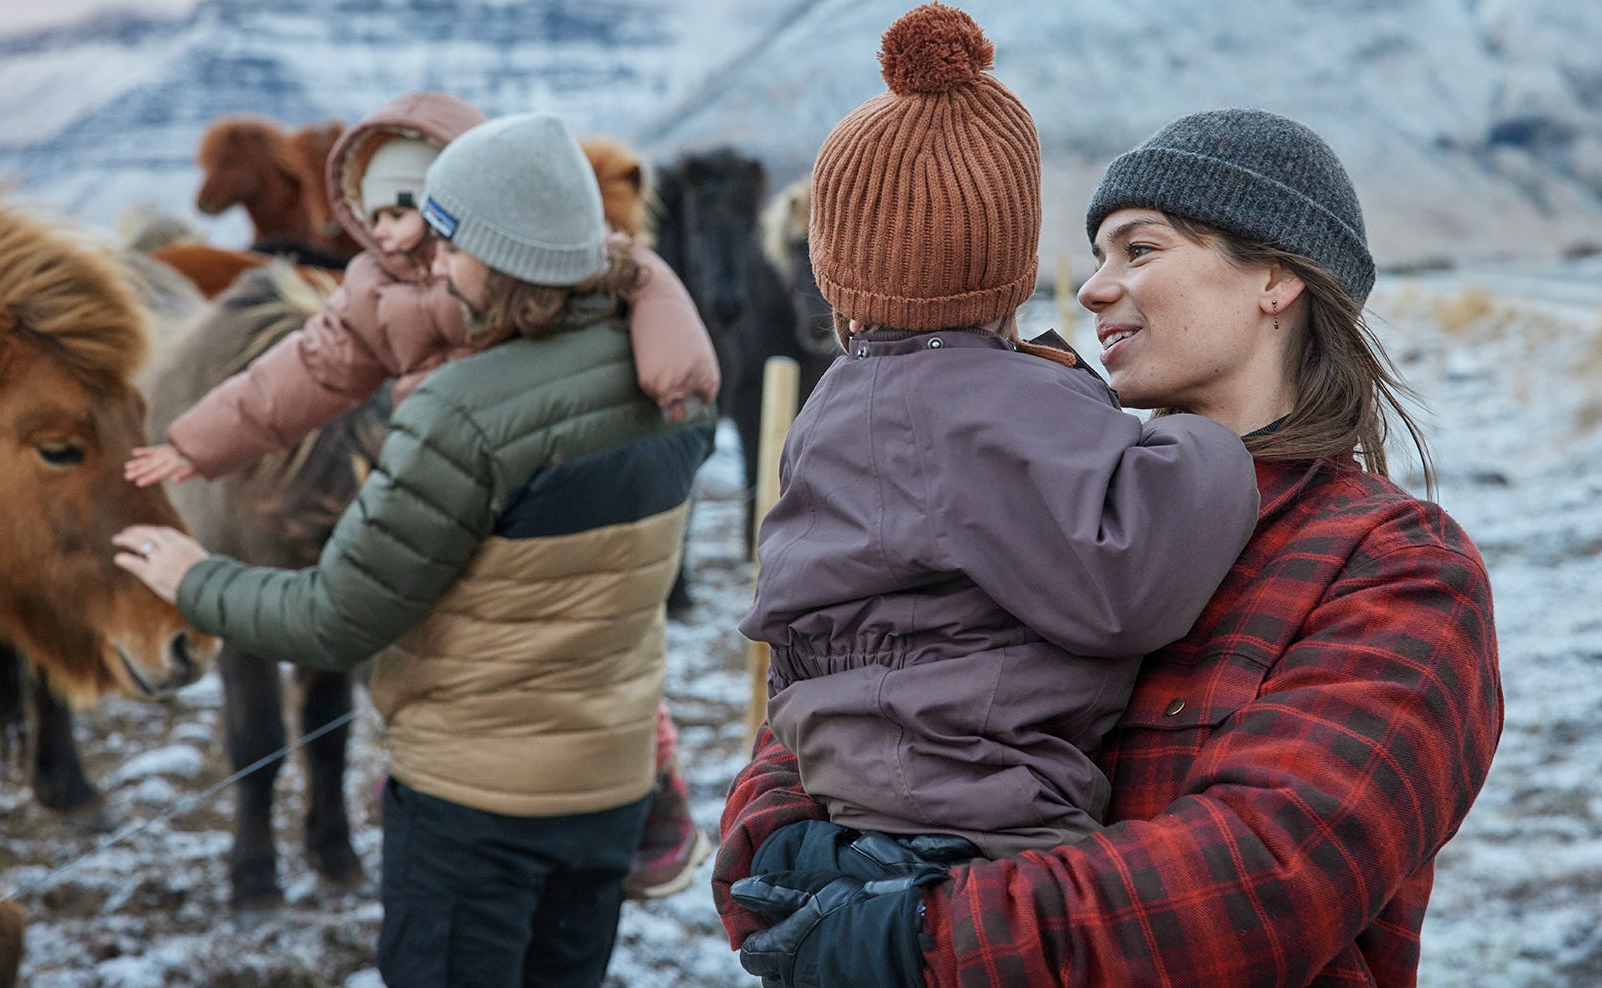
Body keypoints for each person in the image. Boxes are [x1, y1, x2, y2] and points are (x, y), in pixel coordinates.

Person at [712, 92, 1503, 988]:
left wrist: (920, 939)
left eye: (1140, 248)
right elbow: (840, 688)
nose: (1091, 288)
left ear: (1275, 278)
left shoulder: (1392, 571)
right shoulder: (1029, 487)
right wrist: (786, 853)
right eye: (1095, 255)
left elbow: (1262, 878)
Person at [116, 111, 712, 987]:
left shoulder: (458, 414)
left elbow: (335, 619)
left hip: (474, 814)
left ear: (503, 255)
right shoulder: (663, 378)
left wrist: (193, 577)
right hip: (608, 797)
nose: (431, 261)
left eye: (452, 240)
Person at [736, 1, 1257, 867]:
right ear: (1008, 257)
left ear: (839, 266)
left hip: (844, 792)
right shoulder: (997, 406)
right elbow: (1124, 582)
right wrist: (1205, 440)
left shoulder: (831, 406)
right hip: (987, 810)